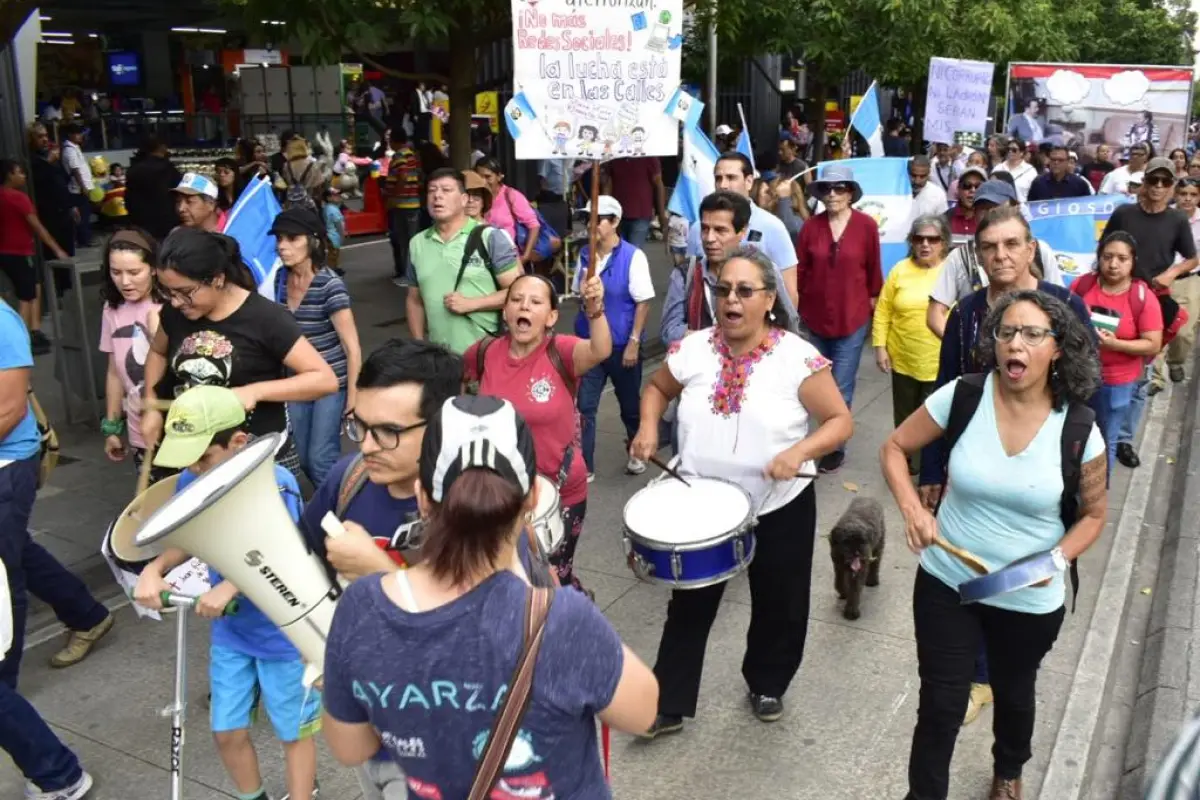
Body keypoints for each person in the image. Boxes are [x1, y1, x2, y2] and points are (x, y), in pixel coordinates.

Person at [321, 395, 659, 797]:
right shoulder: (561, 621)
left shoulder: (361, 608)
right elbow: (642, 713)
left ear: (423, 498)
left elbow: (350, 746)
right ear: (532, 497)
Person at [882, 289, 1106, 800]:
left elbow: (1094, 517)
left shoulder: (1078, 427)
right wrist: (914, 511)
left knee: (1013, 690)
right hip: (947, 580)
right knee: (940, 702)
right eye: (1006, 332)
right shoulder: (962, 396)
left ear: (1057, 348)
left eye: (1031, 333)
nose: (1015, 343)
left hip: (1027, 595)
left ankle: (1008, 770)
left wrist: (1057, 558)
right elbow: (893, 447)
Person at [630, 246, 854, 735]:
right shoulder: (692, 348)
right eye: (723, 289)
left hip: (779, 503)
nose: (731, 299)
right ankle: (668, 703)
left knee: (780, 601)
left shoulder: (797, 358)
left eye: (744, 290)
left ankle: (767, 680)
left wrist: (798, 453)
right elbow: (656, 389)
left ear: (769, 299)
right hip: (700, 503)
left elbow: (840, 422)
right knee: (689, 601)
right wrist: (648, 427)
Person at [919, 206, 1095, 728]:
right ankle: (975, 675)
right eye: (989, 246)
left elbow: (1090, 391)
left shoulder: (1066, 305)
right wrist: (932, 468)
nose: (1001, 256)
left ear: (1030, 247)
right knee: (967, 570)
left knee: (1021, 581)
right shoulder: (967, 311)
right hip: (973, 469)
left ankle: (1005, 683)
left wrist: (1085, 466)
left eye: (1011, 244)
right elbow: (943, 384)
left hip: (1043, 472)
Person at [134, 386, 320, 800]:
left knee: (293, 732)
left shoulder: (277, 481)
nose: (195, 469)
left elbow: (280, 543)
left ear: (237, 442)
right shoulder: (192, 476)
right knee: (225, 730)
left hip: (284, 631)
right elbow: (190, 535)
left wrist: (231, 584)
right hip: (234, 631)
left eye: (203, 457)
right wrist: (155, 567)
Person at [141, 228, 338, 479]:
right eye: (170, 293)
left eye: (185, 292)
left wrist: (254, 391)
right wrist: (152, 405)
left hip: (256, 454)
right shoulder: (174, 313)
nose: (177, 302)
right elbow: (158, 353)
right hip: (196, 452)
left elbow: (324, 379)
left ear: (217, 279)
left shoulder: (265, 318)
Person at [463, 273, 610, 590]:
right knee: (504, 579)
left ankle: (569, 617)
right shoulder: (485, 352)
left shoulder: (563, 351)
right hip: (498, 492)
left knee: (552, 581)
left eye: (535, 302)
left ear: (551, 316)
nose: (523, 307)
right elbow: (454, 388)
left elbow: (600, 349)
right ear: (505, 311)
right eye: (515, 300)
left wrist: (595, 311)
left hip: (559, 493)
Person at [1102, 156, 1197, 463]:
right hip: (1116, 297)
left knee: (1143, 373)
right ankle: (1102, 434)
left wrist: (1171, 273)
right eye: (1153, 180)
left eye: (1165, 182)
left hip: (1153, 301)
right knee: (1107, 362)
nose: (1158, 187)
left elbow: (1192, 258)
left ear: (1172, 188)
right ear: (1143, 183)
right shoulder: (1124, 213)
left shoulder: (1178, 220)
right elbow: (1103, 250)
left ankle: (1125, 440)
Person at [794, 164, 882, 473]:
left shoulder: (867, 226)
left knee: (841, 386)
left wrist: (873, 309)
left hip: (852, 317)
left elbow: (873, 271)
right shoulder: (810, 228)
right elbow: (799, 271)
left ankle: (834, 446)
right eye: (828, 189)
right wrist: (795, 308)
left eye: (840, 188)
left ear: (850, 193)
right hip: (814, 318)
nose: (833, 194)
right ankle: (817, 438)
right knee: (814, 386)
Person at [270, 208, 362, 488]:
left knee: (321, 459)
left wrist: (354, 399)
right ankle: (335, 506)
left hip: (331, 383)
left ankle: (344, 512)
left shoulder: (329, 285)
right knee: (305, 460)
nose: (283, 246)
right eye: (279, 239)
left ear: (312, 241)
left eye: (292, 238)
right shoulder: (281, 280)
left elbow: (352, 347)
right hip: (297, 381)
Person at [572, 196, 655, 479]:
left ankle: (635, 450)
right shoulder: (585, 255)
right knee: (585, 406)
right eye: (587, 219)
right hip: (589, 344)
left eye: (598, 219)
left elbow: (643, 302)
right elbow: (577, 295)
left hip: (621, 345)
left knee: (630, 405)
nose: (591, 225)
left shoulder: (633, 256)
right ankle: (585, 465)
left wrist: (634, 341)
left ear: (615, 222)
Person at [1070, 232, 1163, 477]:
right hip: (1079, 377)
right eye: (1108, 257)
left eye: (1122, 258)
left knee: (1104, 441)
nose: (1113, 264)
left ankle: (1097, 501)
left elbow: (1153, 344)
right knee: (1075, 437)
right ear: (1098, 257)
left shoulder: (1142, 297)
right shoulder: (1082, 286)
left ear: (1133, 261)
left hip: (1117, 383)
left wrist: (1117, 345)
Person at [405, 167, 522, 354]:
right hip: (440, 358)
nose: (437, 196)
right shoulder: (417, 243)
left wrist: (472, 304)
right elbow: (414, 300)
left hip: (486, 354)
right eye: (432, 191)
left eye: (446, 190)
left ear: (463, 199)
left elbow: (518, 292)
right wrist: (419, 346)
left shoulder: (490, 238)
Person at [926, 180, 1064, 338]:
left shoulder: (1040, 250)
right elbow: (935, 314)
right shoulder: (960, 257)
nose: (991, 214)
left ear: (1016, 208)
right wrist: (963, 348)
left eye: (996, 207)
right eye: (983, 209)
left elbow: (1059, 304)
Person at [662, 191, 800, 346]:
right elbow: (670, 332)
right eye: (705, 229)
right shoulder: (686, 274)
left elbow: (788, 323)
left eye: (720, 230)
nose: (709, 238)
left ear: (742, 232)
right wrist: (719, 341)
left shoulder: (763, 271)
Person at [873, 215, 949, 474]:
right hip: (902, 357)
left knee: (932, 418)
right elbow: (883, 310)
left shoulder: (951, 272)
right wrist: (880, 346)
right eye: (919, 239)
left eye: (933, 239)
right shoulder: (900, 270)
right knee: (904, 415)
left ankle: (928, 468)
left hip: (938, 360)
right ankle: (904, 461)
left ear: (944, 243)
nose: (925, 244)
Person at [684, 153, 799, 307]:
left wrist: (777, 331)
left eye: (731, 178)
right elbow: (689, 284)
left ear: (749, 181)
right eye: (718, 178)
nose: (723, 185)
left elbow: (790, 294)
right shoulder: (698, 228)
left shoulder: (772, 227)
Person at [99, 229, 164, 479]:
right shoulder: (111, 308)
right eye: (116, 272)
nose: (125, 282)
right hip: (138, 430)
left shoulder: (171, 304)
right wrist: (112, 427)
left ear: (154, 268)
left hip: (175, 429)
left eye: (134, 272)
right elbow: (114, 371)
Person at [0, 159, 70, 354]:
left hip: (7, 252)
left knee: (35, 286)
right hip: (20, 252)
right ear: (9, 175)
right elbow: (37, 226)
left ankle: (34, 329)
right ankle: (20, 341)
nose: (23, 176)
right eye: (19, 172)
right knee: (26, 296)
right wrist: (57, 249)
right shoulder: (19, 198)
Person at [475, 157, 543, 269]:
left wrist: (525, 256)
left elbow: (534, 225)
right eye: (479, 177)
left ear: (499, 177)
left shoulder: (511, 195)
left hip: (508, 259)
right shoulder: (473, 198)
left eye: (488, 177)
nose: (483, 181)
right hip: (481, 259)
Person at [601, 154, 667, 250]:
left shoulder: (649, 157)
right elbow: (607, 185)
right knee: (618, 251)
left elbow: (659, 184)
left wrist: (662, 215)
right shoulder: (614, 157)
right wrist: (604, 213)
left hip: (641, 215)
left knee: (633, 253)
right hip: (618, 215)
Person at [383, 129, 422, 283]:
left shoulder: (399, 156)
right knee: (412, 240)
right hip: (413, 201)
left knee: (405, 241)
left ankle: (409, 276)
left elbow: (403, 176)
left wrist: (394, 196)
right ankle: (412, 274)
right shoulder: (412, 155)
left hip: (402, 204)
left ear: (394, 141)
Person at [59, 123, 95, 248]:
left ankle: (85, 238)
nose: (80, 136)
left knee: (85, 214)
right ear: (70, 134)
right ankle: (83, 239)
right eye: (77, 134)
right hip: (77, 189)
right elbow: (75, 170)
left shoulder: (75, 147)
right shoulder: (69, 150)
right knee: (82, 216)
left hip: (81, 187)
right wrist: (83, 187)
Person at [1027, 145, 1093, 201]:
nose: (1056, 163)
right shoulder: (1038, 183)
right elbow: (1030, 207)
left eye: (1060, 160)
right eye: (1053, 159)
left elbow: (1086, 207)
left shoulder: (1079, 184)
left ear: (1067, 162)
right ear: (1049, 161)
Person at [946, 166, 989, 236]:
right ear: (958, 189)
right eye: (967, 185)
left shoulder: (992, 220)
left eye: (978, 186)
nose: (973, 190)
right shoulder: (945, 219)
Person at [992, 138, 1036, 203]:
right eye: (1008, 149)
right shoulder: (998, 168)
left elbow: (1034, 194)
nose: (1010, 151)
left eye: (1014, 150)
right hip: (999, 208)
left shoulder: (1031, 171)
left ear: (1021, 153)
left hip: (1021, 209)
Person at [322, 187, 346, 274]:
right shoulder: (332, 210)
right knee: (333, 255)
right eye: (335, 195)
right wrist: (342, 236)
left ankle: (335, 268)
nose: (338, 196)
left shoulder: (328, 207)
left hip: (331, 236)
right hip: (334, 236)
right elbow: (338, 225)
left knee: (334, 255)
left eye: (338, 195)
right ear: (328, 198)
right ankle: (332, 272)